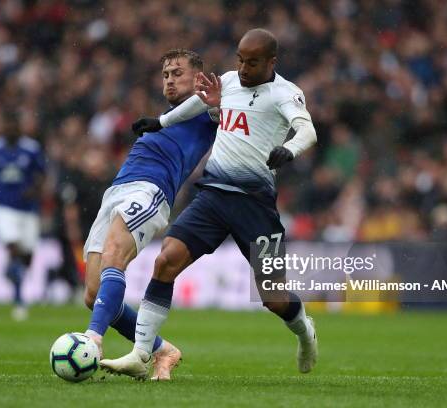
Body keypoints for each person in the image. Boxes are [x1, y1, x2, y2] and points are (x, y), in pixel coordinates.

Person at [101, 29, 318, 379]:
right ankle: (141, 353)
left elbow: (307, 130)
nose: (244, 68)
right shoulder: (229, 81)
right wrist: (161, 122)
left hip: (255, 205)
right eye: (240, 60)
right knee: (166, 260)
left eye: (253, 62)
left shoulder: (286, 93)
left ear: (272, 62)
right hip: (213, 196)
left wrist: (289, 150)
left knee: (274, 299)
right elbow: (198, 103)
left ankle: (305, 330)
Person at [82, 49, 218, 380]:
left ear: (198, 77)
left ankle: (92, 341)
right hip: (116, 191)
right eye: (166, 75)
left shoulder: (209, 110)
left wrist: (213, 97)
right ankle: (162, 350)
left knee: (115, 256)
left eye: (177, 72)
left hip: (150, 191)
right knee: (92, 293)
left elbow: (222, 105)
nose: (170, 79)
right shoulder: (167, 114)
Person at [0, 112, 46, 321]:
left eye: (14, 126)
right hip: (2, 207)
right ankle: (18, 299)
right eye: (7, 126)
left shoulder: (31, 148)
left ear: (19, 128)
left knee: (28, 255)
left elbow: (42, 174)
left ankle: (12, 271)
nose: (11, 130)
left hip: (28, 209)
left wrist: (34, 190)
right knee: (13, 247)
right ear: (3, 128)